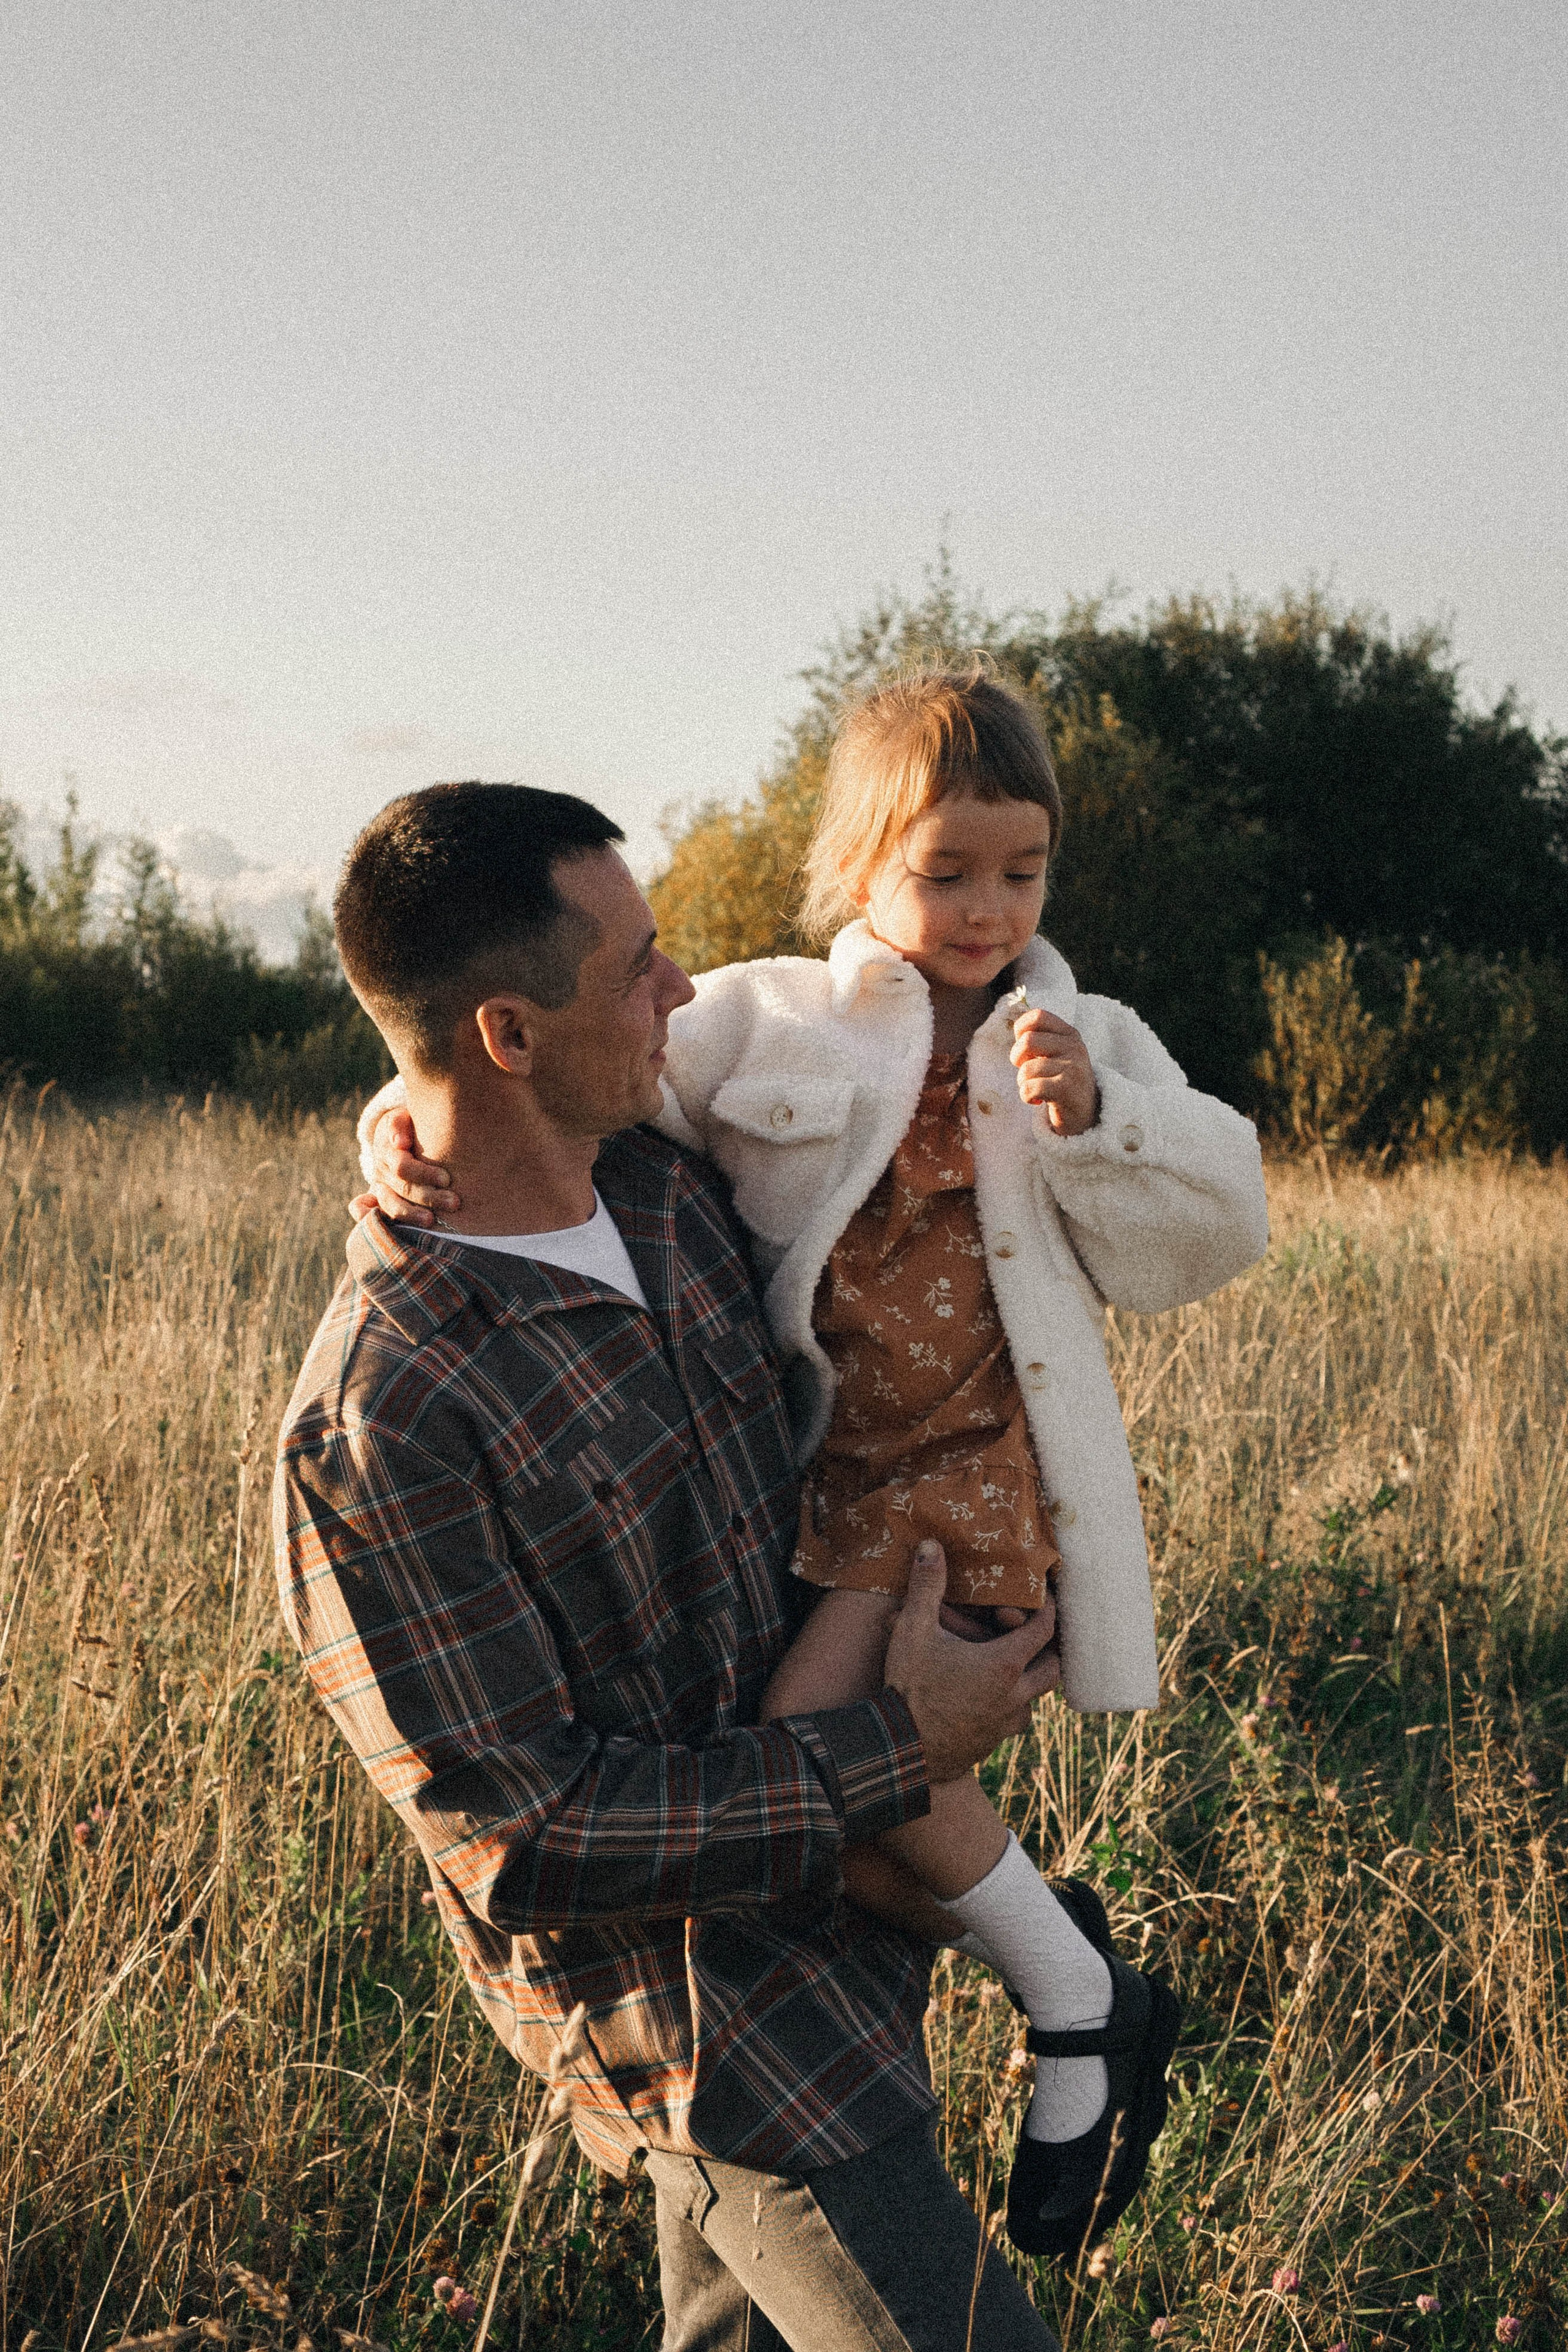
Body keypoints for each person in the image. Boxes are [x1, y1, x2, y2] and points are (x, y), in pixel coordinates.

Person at [356, 665, 1271, 2260]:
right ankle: (1077, 1978)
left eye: (1024, 869)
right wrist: (396, 1116)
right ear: (857, 869)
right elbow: (507, 1059)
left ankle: (1073, 2003)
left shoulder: (1081, 1036)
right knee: (854, 1803)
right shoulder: (776, 1023)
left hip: (974, 1480)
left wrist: (1104, 1116)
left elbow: (1214, 1231)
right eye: (947, 869)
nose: (991, 907)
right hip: (841, 1492)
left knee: (824, 1750)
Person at [277, 780, 1071, 2352]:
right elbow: (518, 1835)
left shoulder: (669, 1190)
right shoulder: (387, 1420)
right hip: (722, 2039)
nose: (683, 990)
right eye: (639, 964)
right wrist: (899, 1749)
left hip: (866, 1919)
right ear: (508, 1035)